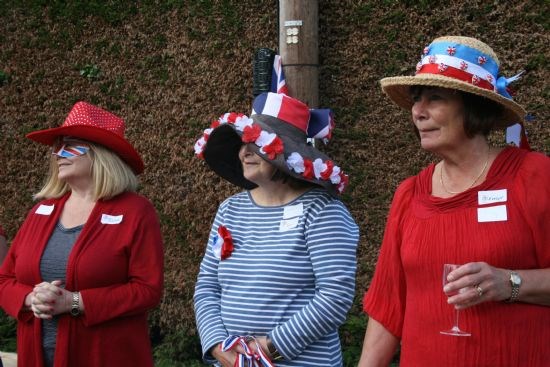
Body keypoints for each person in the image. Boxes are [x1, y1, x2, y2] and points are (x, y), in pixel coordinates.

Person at [358, 36, 550, 367]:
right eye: (417, 100)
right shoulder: (409, 194)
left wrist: (511, 283)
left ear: (473, 107)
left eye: (435, 98)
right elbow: (389, 307)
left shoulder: (532, 176)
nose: (418, 112)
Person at [193, 92, 359, 366]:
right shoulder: (230, 210)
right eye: (244, 142)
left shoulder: (321, 210)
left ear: (283, 152)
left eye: (256, 143)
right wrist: (217, 346)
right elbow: (207, 287)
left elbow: (334, 296)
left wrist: (269, 348)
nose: (244, 152)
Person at [0, 102, 164, 367]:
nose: (58, 154)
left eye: (71, 146)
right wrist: (30, 299)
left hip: (105, 357)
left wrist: (75, 302)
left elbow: (147, 289)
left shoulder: (136, 212)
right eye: (57, 148)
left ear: (102, 154)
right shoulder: (41, 210)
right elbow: (4, 278)